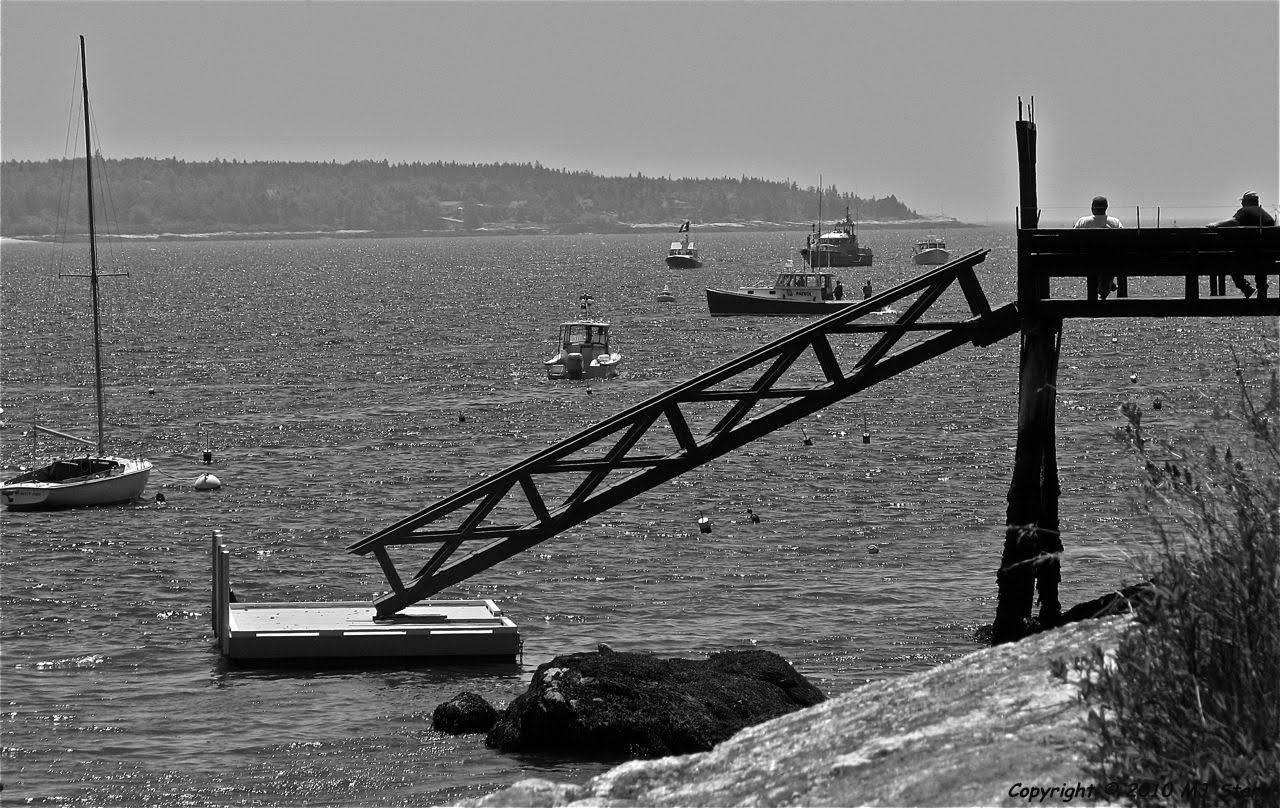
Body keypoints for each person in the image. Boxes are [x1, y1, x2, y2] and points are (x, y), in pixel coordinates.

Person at [1209, 191, 1276, 298]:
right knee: (1260, 254)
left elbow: (1233, 221)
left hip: (1247, 257)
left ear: (1247, 202)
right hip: (1267, 258)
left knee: (1230, 259)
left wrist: (1215, 224)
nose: (1241, 204)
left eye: (1243, 201)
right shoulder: (1268, 217)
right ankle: (1261, 286)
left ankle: (1244, 286)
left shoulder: (1245, 211)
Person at [1074, 196, 1123, 299]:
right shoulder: (1115, 222)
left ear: (1092, 207)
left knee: (1096, 264)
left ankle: (1104, 286)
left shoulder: (1082, 222)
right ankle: (1105, 286)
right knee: (1108, 263)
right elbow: (1123, 242)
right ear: (1106, 207)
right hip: (1110, 260)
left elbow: (1073, 241)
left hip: (1086, 260)